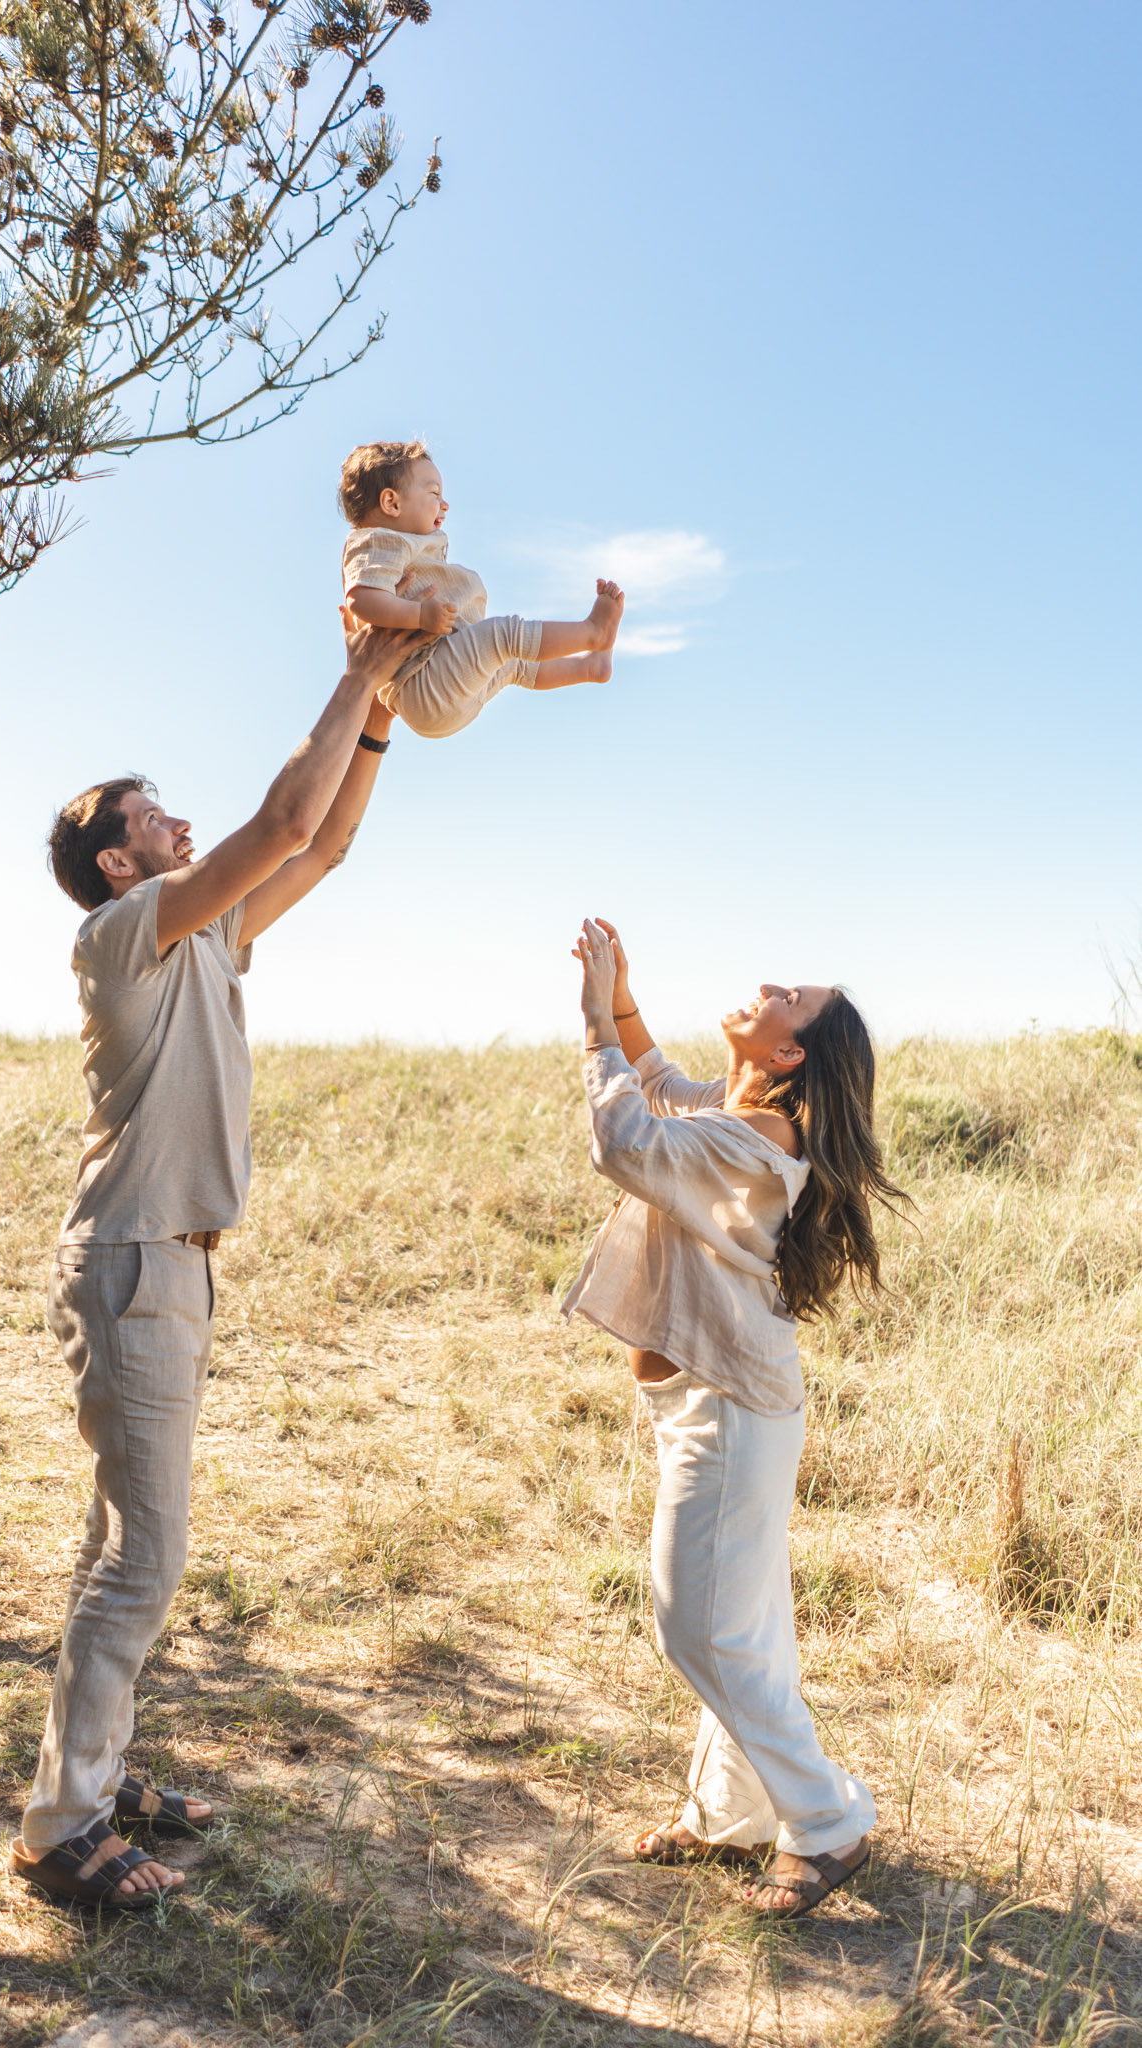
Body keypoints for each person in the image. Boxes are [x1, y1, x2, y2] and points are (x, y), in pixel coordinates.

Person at [9, 611, 420, 1910]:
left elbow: (328, 838)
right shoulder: (122, 935)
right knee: (143, 1560)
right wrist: (359, 664)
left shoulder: (201, 942)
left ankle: (99, 1768)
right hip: (134, 1260)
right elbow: (281, 827)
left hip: (164, 1263)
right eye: (158, 815)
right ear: (119, 858)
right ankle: (62, 1828)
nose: (181, 824)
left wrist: (383, 711)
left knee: (112, 1547)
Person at [564, 917, 907, 1921]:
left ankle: (826, 1820)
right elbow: (663, 1084)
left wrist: (593, 1017)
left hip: (731, 1409)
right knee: (742, 1623)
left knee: (698, 1627)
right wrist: (623, 995)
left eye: (788, 998)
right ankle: (732, 1814)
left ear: (791, 1051)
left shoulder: (760, 1139)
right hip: (711, 1402)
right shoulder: (744, 1109)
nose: (768, 985)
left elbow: (626, 1137)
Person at [338, 439, 625, 738]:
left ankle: (591, 666)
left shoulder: (406, 543)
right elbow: (362, 598)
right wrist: (420, 616)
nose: (445, 504)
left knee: (514, 664)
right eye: (434, 493)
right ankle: (593, 632)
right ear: (391, 503)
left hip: (442, 689)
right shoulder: (374, 540)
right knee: (506, 635)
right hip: (426, 683)